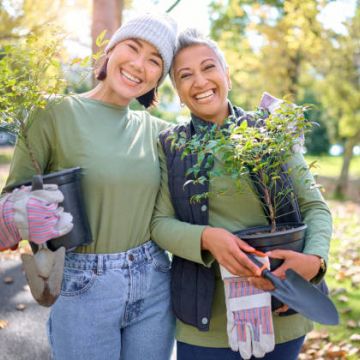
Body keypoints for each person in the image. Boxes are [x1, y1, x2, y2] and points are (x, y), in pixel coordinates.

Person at [1, 13, 177, 360]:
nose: (139, 64)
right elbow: (9, 203)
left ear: (159, 77)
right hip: (83, 285)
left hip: (155, 281)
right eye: (133, 47)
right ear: (110, 50)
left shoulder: (158, 133)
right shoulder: (51, 111)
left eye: (155, 60)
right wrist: (18, 213)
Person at [151, 28, 332, 360]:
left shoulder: (270, 131)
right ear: (177, 91)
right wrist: (207, 238)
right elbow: (160, 224)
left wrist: (315, 260)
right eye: (185, 75)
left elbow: (314, 207)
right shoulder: (171, 145)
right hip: (206, 325)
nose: (200, 81)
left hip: (282, 309)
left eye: (208, 67)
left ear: (227, 76)